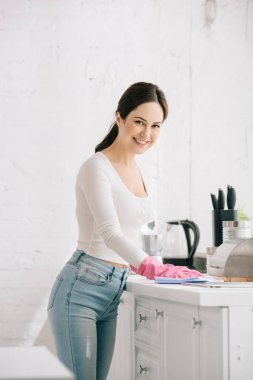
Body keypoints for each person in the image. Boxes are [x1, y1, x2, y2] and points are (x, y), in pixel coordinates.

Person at [47, 82, 201, 380]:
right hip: (81, 288)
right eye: (139, 122)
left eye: (156, 125)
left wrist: (155, 265)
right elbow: (109, 232)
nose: (147, 134)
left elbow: (134, 231)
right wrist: (152, 267)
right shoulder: (96, 167)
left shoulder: (141, 171)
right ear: (120, 118)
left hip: (114, 288)